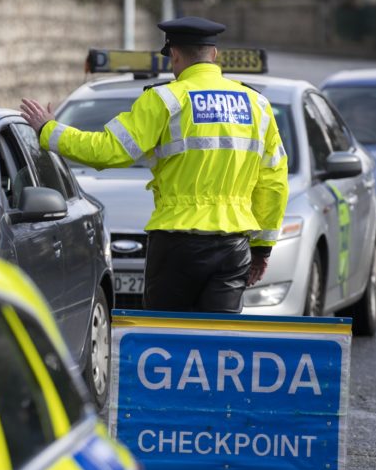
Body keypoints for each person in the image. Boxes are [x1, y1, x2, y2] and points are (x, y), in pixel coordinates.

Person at [21, 16, 289, 313]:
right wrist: (262, 248)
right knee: (219, 343)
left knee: (166, 339)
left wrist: (49, 130)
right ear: (213, 55)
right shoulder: (257, 105)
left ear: (174, 54)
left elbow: (107, 151)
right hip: (232, 247)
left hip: (176, 246)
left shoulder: (165, 100)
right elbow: (274, 182)